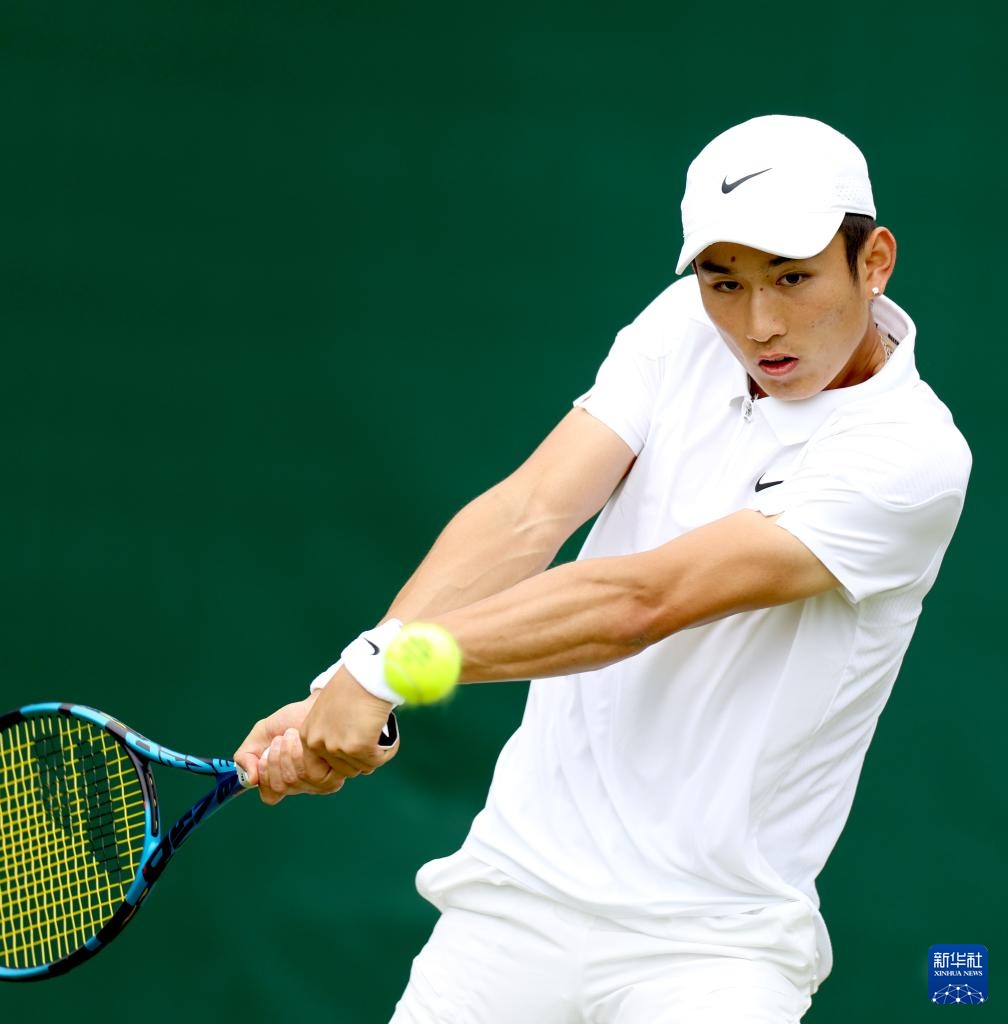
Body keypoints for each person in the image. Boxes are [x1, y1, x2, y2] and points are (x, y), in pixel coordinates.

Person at [235, 115, 972, 1023]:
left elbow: (641, 602)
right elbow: (529, 512)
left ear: (874, 261)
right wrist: (346, 682)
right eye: (725, 281)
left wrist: (384, 669)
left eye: (793, 277)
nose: (760, 323)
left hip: (714, 950)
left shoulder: (911, 458)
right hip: (512, 901)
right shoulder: (682, 329)